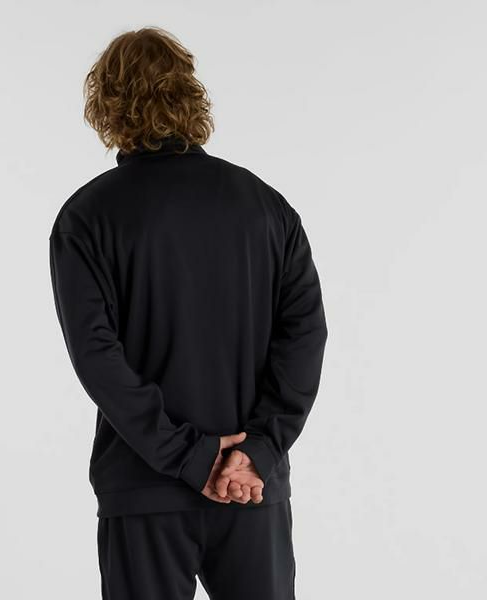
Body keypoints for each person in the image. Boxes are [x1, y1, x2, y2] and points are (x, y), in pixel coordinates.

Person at [48, 26, 328, 600]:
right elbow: (304, 336)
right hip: (251, 487)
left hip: (144, 489)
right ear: (190, 95)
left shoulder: (87, 217)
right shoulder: (267, 208)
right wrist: (256, 452)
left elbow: (97, 356)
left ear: (107, 105)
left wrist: (191, 457)